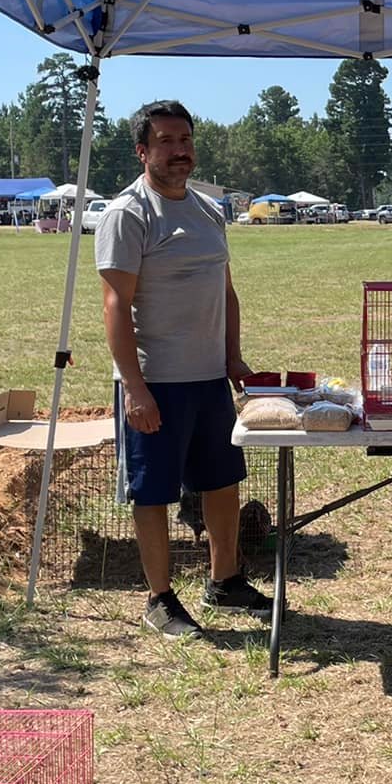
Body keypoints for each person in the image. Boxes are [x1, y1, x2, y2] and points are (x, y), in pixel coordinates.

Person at [97, 99, 264, 638]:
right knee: (154, 493)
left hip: (209, 379)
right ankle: (160, 599)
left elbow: (227, 290)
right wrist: (135, 389)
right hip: (156, 383)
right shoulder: (128, 214)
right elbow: (115, 305)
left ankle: (225, 581)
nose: (179, 151)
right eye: (166, 142)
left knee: (222, 482)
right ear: (143, 151)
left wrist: (232, 356)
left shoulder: (209, 210)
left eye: (186, 140)